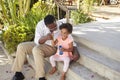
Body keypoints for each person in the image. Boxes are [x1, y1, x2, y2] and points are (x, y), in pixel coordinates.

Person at [11, 15, 80, 80]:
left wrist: (75, 51)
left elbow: (70, 40)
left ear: (55, 21)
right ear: (46, 25)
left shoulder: (61, 26)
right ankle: (18, 73)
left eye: (54, 27)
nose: (53, 29)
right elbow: (37, 41)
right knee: (21, 46)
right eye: (51, 28)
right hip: (40, 43)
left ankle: (41, 77)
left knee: (36, 50)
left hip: (51, 47)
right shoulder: (40, 25)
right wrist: (46, 38)